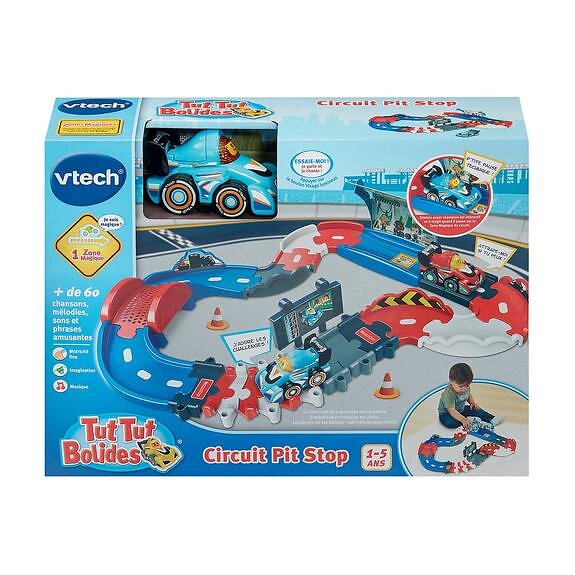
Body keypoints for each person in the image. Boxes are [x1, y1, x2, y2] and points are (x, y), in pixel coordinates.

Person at [438, 363, 504, 429]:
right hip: (447, 414)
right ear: (451, 381)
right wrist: (463, 419)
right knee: (450, 423)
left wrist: (472, 403)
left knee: (476, 409)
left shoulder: (466, 388)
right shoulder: (448, 394)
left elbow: (468, 395)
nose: (464, 389)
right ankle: (468, 421)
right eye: (460, 386)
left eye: (467, 385)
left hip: (461, 409)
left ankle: (492, 419)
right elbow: (451, 410)